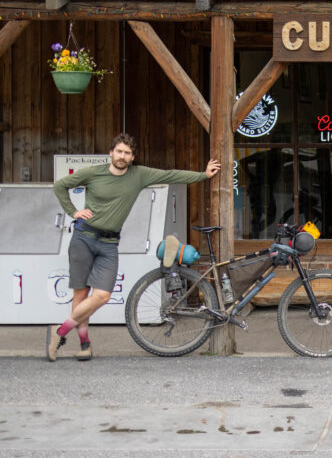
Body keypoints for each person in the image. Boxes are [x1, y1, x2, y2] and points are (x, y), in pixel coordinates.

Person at [48, 133, 221, 362]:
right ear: (111, 153)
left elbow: (170, 175)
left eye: (127, 153)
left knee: (101, 295)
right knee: (81, 293)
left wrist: (203, 175)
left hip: (109, 243)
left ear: (132, 157)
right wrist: (74, 212)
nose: (122, 156)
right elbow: (60, 186)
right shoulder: (93, 173)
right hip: (83, 237)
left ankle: (59, 332)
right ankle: (84, 343)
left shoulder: (138, 175)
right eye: (119, 151)